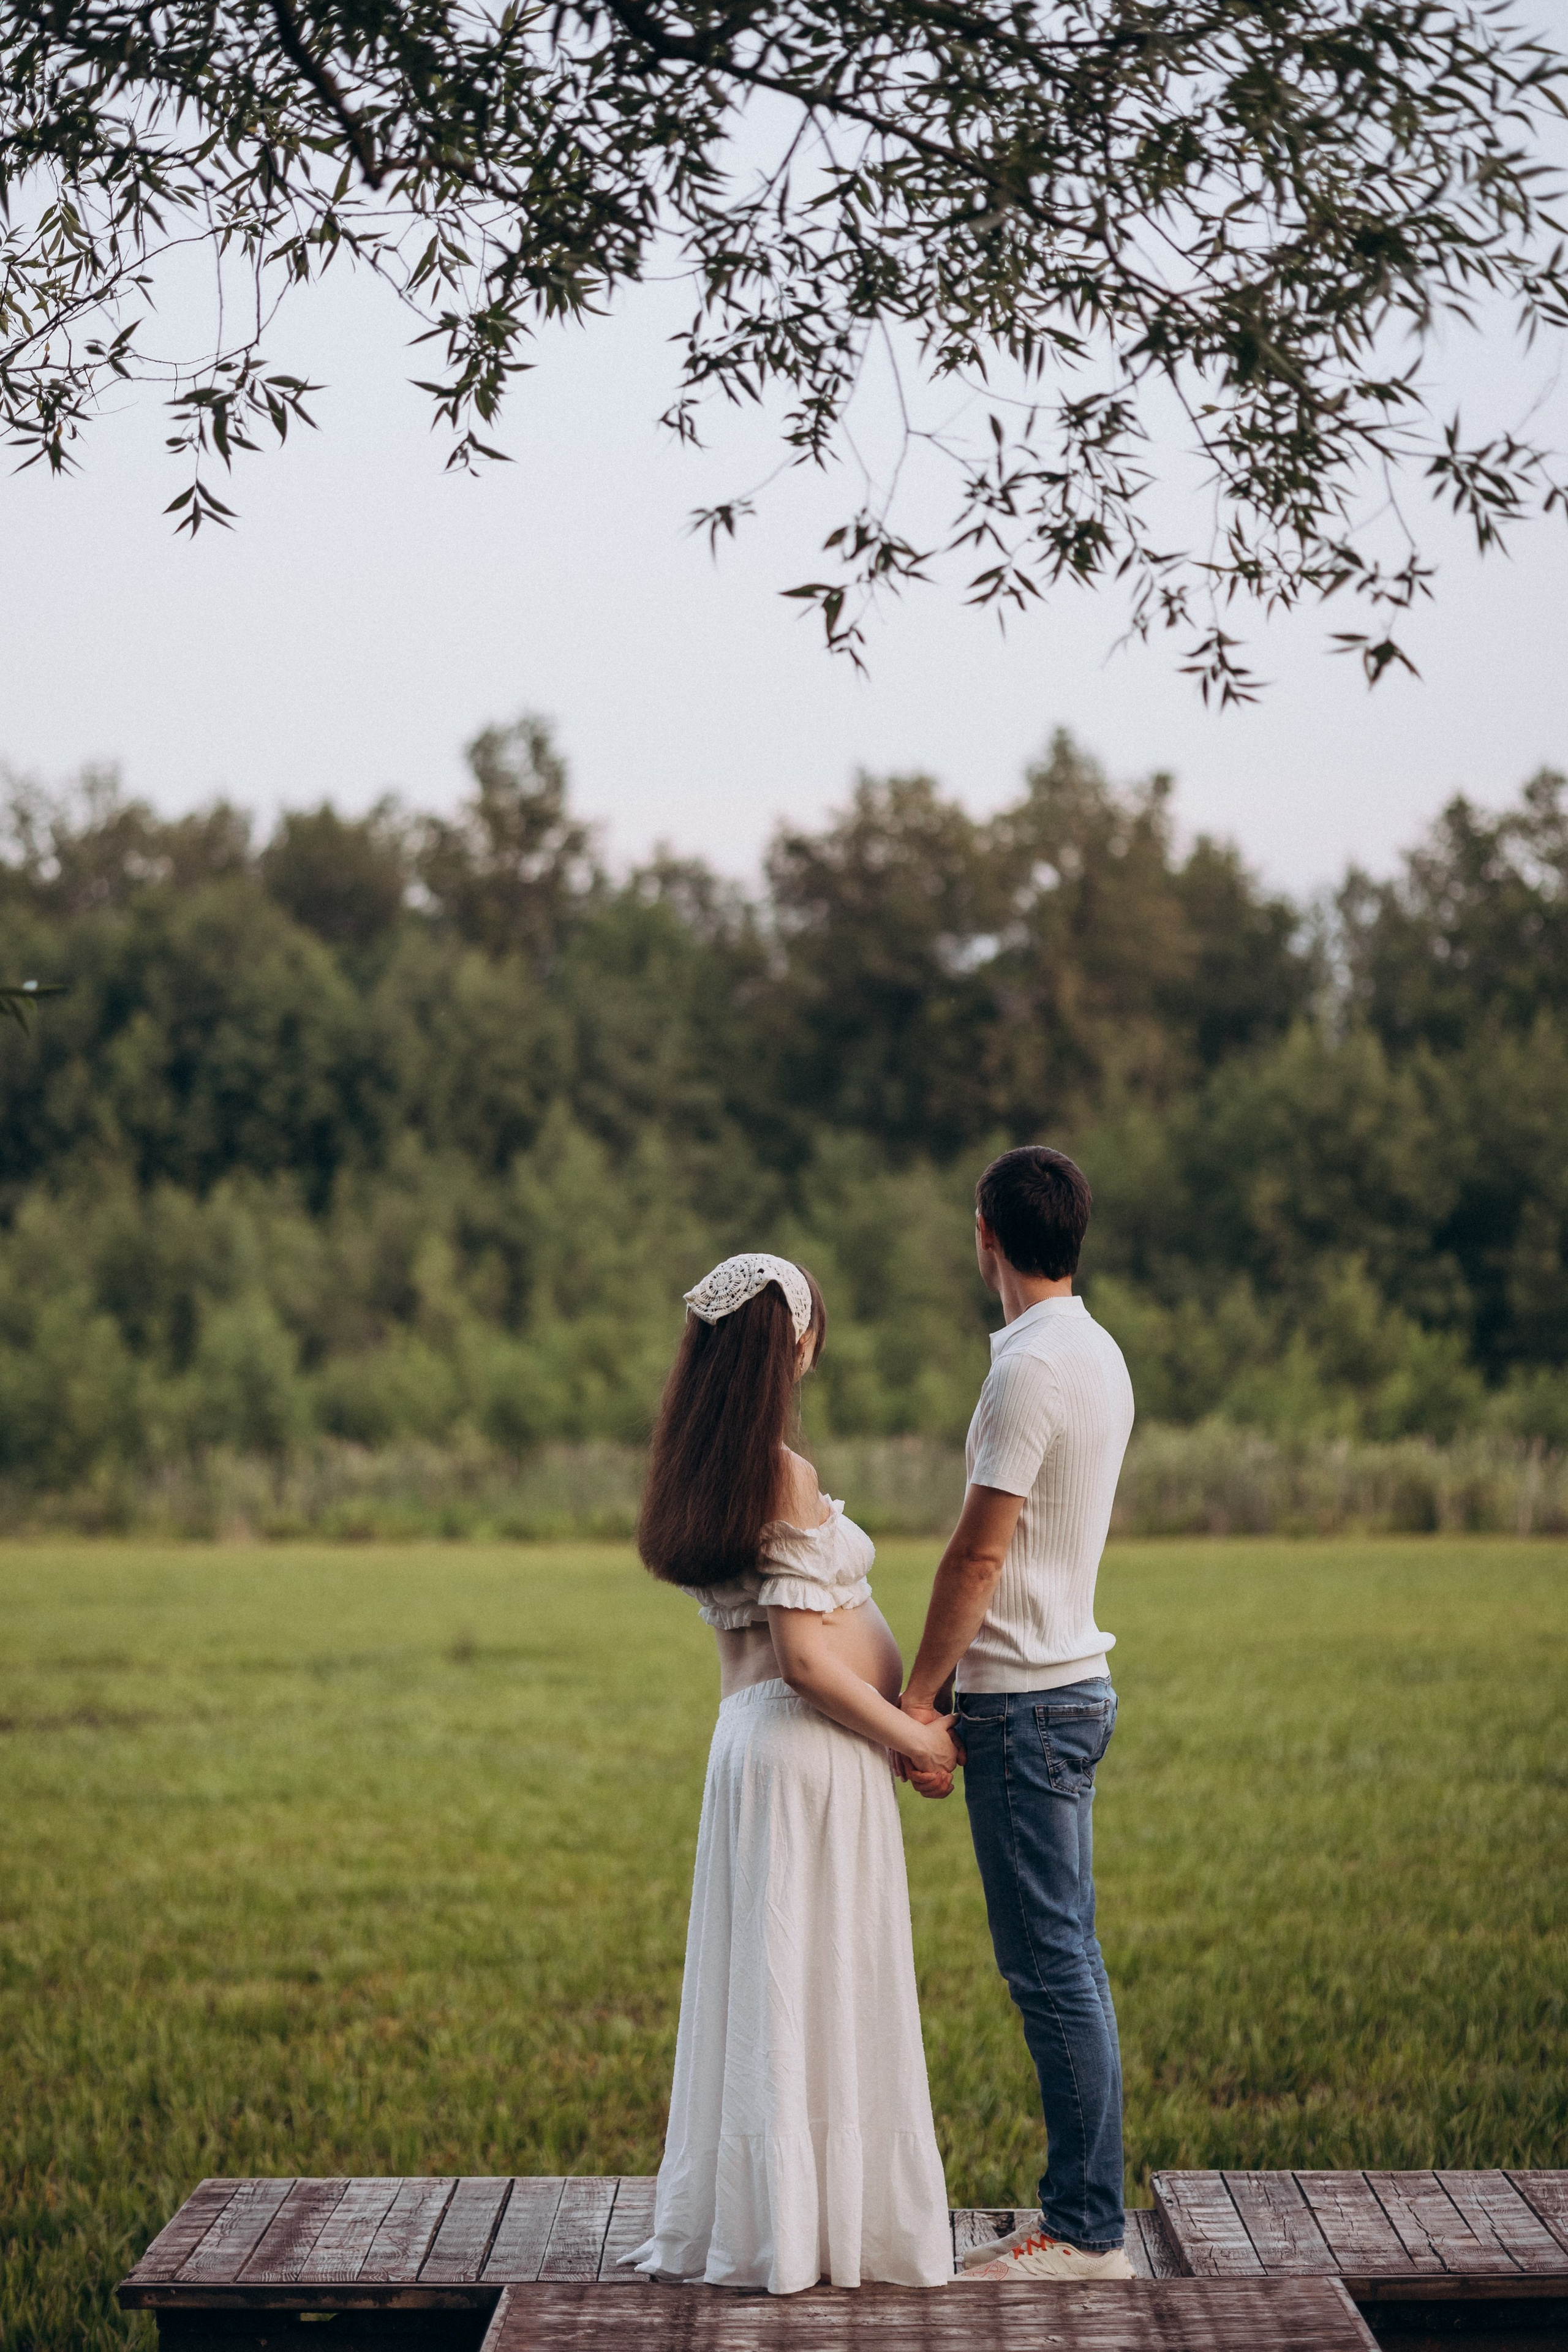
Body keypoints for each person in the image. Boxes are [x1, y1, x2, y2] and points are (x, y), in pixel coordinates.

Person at [629, 1251, 958, 2296]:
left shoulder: (701, 1465)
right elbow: (811, 1660)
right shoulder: (781, 1472)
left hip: (749, 1746)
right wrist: (915, 1739)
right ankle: (826, 2229)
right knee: (822, 1978)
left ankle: (779, 2223)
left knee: (775, 1983)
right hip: (805, 1751)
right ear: (797, 1344)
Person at [899, 1147, 1137, 2283]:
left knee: (1051, 1967)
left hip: (1028, 1708)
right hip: (1067, 1692)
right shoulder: (1096, 1352)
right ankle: (1080, 2214)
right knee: (1065, 1960)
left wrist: (919, 1698)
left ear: (985, 1234)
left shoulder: (1026, 1370)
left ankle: (1085, 2231)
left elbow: (979, 1551)